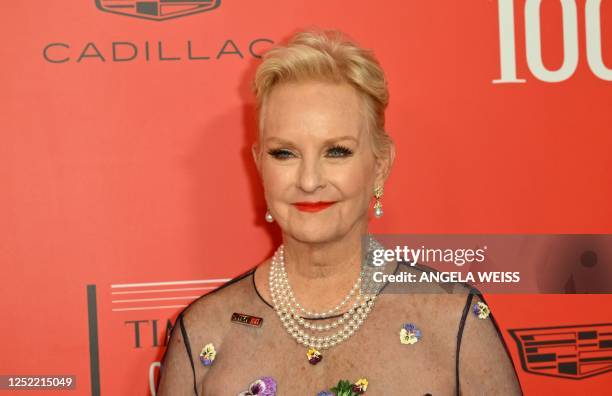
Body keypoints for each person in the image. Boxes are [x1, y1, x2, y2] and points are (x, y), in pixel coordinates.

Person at [156, 29, 522, 395]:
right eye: (285, 153)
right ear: (259, 166)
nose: (310, 180)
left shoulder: (453, 319)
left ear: (379, 166)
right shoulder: (206, 330)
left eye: (337, 151)